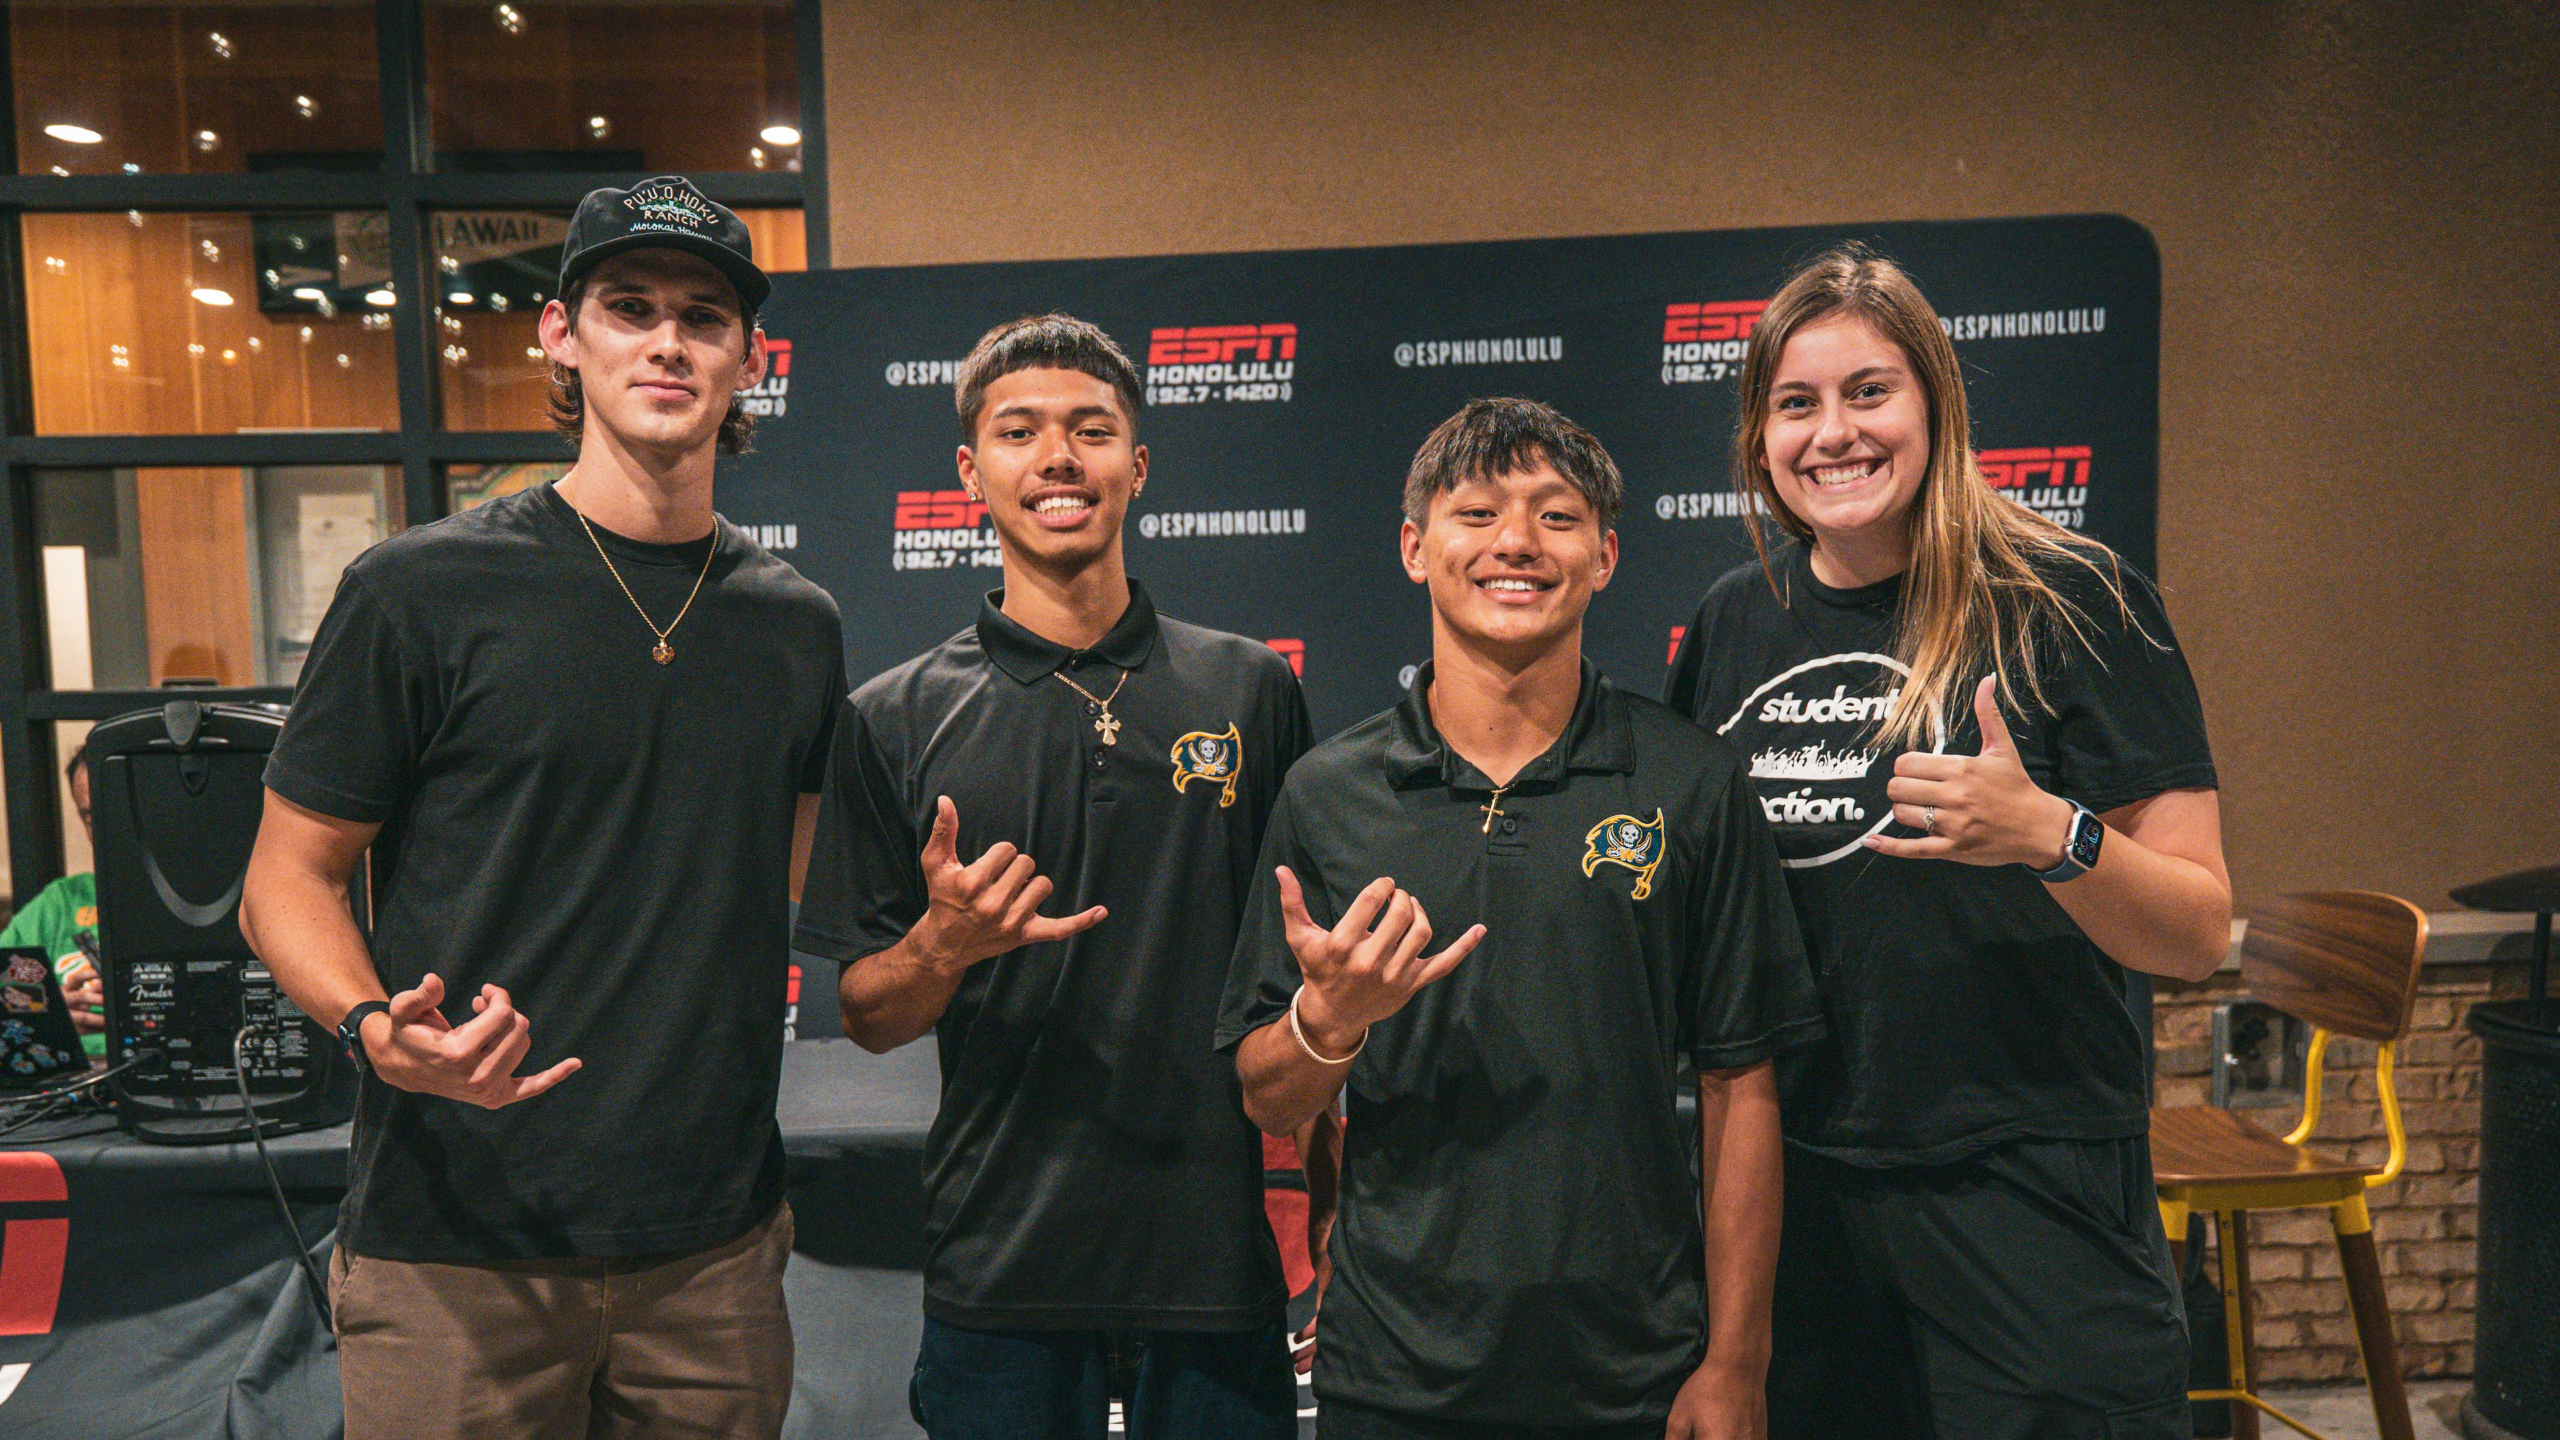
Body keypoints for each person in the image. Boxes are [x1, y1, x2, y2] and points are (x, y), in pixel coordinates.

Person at [240, 176, 841, 1440]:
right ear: (561, 337)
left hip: (713, 1255)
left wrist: (936, 930)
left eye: (704, 315)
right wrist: (370, 1029)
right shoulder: (420, 589)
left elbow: (794, 880)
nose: (668, 341)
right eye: (629, 308)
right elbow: (285, 881)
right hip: (455, 1249)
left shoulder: (796, 624)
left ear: (748, 356)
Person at [1665, 244, 2230, 1440]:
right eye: (1796, 403)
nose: (1835, 433)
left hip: (2025, 1185)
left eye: (1869, 392)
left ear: (1934, 403)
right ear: (1758, 439)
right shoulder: (1730, 622)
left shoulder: (2075, 599)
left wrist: (2048, 834)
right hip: (1806, 1192)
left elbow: (2191, 932)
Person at [1222, 397, 1825, 1440]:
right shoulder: (1328, 794)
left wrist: (1735, 1361)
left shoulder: (1690, 781)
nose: (1515, 543)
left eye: (1555, 516)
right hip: (1390, 1375)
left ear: (1604, 556)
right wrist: (1330, 1022)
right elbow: (1268, 1097)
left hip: (1634, 1373)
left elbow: (1741, 1082)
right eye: (1476, 513)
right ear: (1415, 548)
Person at [794, 313, 1318, 1440]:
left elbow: (1298, 980)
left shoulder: (1250, 690)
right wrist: (943, 945)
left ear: (1136, 465)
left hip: (1212, 1260)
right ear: (970, 472)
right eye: (1019, 431)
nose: (1058, 458)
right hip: (1002, 1263)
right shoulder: (892, 717)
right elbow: (864, 1016)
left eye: (1090, 430)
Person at [0, 745, 105, 1056]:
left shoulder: (195, 905)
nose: (102, 829)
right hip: (73, 1076)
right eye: (90, 817)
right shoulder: (61, 902)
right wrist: (50, 1018)